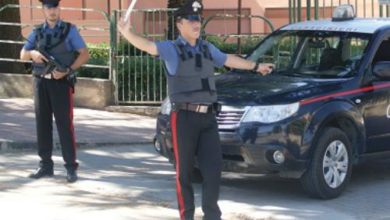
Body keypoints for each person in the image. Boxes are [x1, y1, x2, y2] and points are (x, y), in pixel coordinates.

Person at [118, 0, 274, 219]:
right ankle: (187, 215)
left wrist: (257, 67)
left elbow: (229, 59)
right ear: (179, 24)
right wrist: (127, 33)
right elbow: (147, 46)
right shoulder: (171, 49)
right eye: (191, 20)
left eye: (198, 19)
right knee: (185, 173)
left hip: (208, 118)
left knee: (213, 170)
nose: (196, 23)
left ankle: (212, 215)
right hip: (184, 118)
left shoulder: (207, 48)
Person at [20, 0, 89, 183]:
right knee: (42, 124)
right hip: (40, 82)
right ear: (43, 10)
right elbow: (22, 55)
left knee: (64, 125)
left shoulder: (69, 30)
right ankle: (45, 165)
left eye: (55, 7)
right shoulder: (36, 32)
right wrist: (33, 54)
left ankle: (70, 167)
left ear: (59, 9)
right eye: (49, 8)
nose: (52, 11)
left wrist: (67, 70)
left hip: (61, 83)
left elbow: (84, 53)